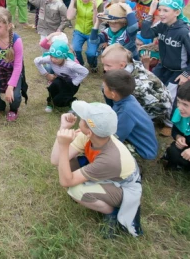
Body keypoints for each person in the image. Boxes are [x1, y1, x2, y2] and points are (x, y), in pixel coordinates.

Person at [50, 101, 143, 238]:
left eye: (82, 119)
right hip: (107, 175)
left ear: (89, 131)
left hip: (125, 188)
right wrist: (63, 128)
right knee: (67, 162)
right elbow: (56, 160)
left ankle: (111, 211)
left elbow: (65, 181)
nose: (79, 120)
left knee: (76, 191)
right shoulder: (90, 136)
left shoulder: (110, 158)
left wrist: (64, 146)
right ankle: (99, 195)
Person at [100, 44, 173, 136]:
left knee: (127, 112)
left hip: (156, 106)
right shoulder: (128, 64)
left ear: (122, 65)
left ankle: (162, 123)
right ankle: (114, 112)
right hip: (143, 98)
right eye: (104, 64)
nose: (104, 68)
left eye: (108, 65)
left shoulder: (137, 84)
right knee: (105, 87)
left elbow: (141, 103)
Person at [141, 0, 190, 101]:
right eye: (159, 10)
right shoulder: (162, 25)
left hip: (178, 71)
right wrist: (150, 13)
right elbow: (145, 34)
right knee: (150, 89)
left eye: (165, 10)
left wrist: (186, 74)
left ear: (177, 12)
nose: (161, 13)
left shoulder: (184, 32)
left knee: (168, 98)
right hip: (163, 67)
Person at [102, 70, 158, 160]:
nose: (102, 88)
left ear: (113, 94)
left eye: (104, 86)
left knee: (106, 148)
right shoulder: (128, 98)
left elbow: (116, 137)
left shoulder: (126, 112)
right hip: (139, 142)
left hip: (143, 151)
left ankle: (136, 165)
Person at [0, 8, 28, 122]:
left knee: (15, 96)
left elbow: (18, 65)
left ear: (8, 26)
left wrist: (10, 87)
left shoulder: (16, 40)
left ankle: (13, 110)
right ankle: (0, 108)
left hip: (13, 70)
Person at [34, 40, 88, 111]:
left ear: (63, 56)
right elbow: (36, 61)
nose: (53, 59)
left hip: (71, 83)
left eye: (56, 58)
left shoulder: (70, 64)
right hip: (60, 79)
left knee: (59, 101)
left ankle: (73, 103)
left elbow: (85, 71)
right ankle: (50, 102)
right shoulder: (50, 59)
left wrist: (74, 82)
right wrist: (46, 74)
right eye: (51, 56)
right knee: (52, 87)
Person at [67, 0, 104, 70]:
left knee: (90, 53)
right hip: (79, 30)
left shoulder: (99, 2)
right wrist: (73, 0)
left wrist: (94, 9)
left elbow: (96, 22)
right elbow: (69, 16)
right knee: (76, 49)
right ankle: (80, 64)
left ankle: (93, 64)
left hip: (92, 32)